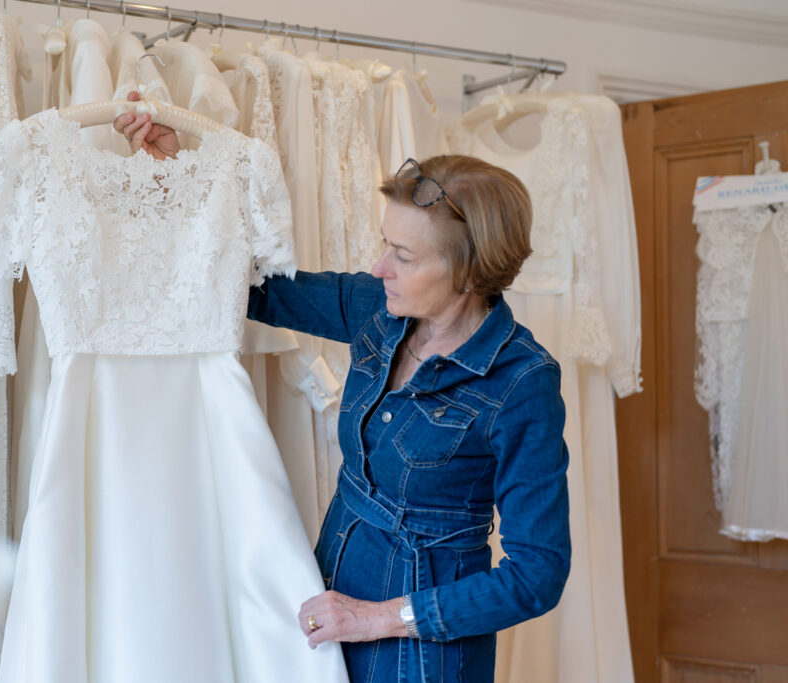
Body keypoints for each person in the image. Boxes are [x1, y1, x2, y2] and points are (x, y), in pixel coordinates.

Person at [116, 100, 571, 683]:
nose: (380, 267)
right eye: (385, 245)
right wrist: (171, 174)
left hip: (420, 654)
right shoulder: (376, 311)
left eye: (403, 256)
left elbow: (538, 573)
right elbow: (252, 288)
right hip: (324, 611)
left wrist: (379, 618)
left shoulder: (522, 381)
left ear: (469, 273)